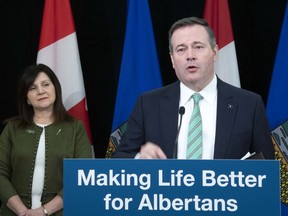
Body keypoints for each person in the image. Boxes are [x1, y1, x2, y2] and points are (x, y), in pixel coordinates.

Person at [112, 16, 274, 160]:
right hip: (165, 194)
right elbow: (119, 159)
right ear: (173, 60)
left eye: (198, 47)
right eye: (181, 49)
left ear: (215, 52)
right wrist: (140, 158)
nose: (190, 55)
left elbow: (267, 169)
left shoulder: (249, 104)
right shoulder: (148, 104)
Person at [0, 64, 92, 216]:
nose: (41, 91)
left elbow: (82, 176)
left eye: (45, 84)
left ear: (55, 88)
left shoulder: (76, 129)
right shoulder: (12, 128)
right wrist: (22, 212)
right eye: (32, 88)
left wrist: (44, 211)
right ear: (27, 99)